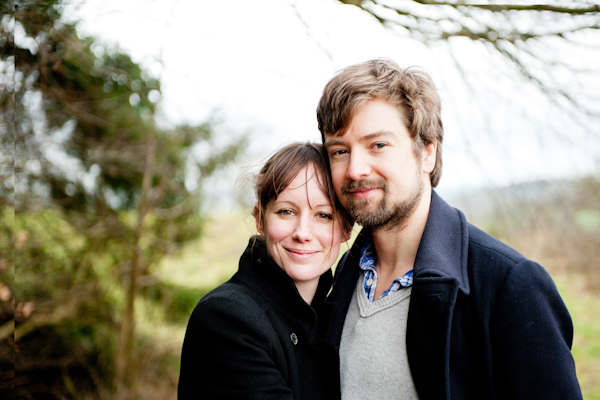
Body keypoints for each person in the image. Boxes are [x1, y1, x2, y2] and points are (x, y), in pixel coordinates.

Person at [316, 59, 582, 399]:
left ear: (427, 151)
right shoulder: (339, 275)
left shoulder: (509, 285)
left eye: (378, 145)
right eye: (340, 150)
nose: (355, 169)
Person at [178, 142, 352, 399]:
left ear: (346, 229)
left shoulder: (340, 318)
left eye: (324, 215)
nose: (302, 233)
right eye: (286, 212)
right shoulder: (226, 319)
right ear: (260, 219)